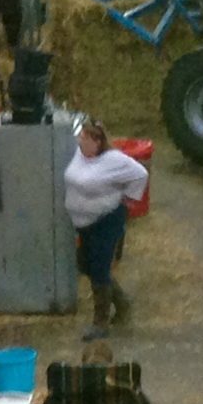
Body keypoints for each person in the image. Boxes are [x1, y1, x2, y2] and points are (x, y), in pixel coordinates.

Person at [64, 117, 148, 341]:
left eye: (84, 137)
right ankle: (122, 303)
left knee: (99, 269)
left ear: (97, 141)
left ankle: (100, 323)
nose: (79, 140)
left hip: (106, 221)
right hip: (86, 224)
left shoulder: (114, 160)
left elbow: (141, 174)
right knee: (86, 264)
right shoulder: (81, 156)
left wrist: (128, 201)